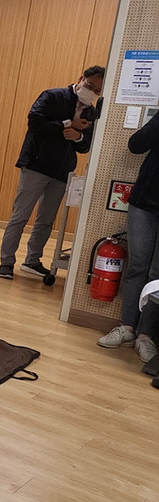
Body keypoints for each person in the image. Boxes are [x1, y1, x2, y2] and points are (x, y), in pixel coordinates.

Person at [0, 66, 105, 280]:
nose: (91, 91)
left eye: (97, 91)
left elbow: (85, 146)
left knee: (46, 220)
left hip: (62, 170)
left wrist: (77, 136)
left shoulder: (92, 112)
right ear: (80, 78)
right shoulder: (53, 96)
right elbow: (35, 123)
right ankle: (6, 262)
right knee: (20, 216)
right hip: (36, 165)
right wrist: (67, 123)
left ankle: (32, 261)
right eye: (89, 85)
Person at [97, 111, 159, 364]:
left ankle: (146, 335)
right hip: (144, 201)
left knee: (157, 274)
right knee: (137, 266)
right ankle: (127, 328)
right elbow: (136, 145)